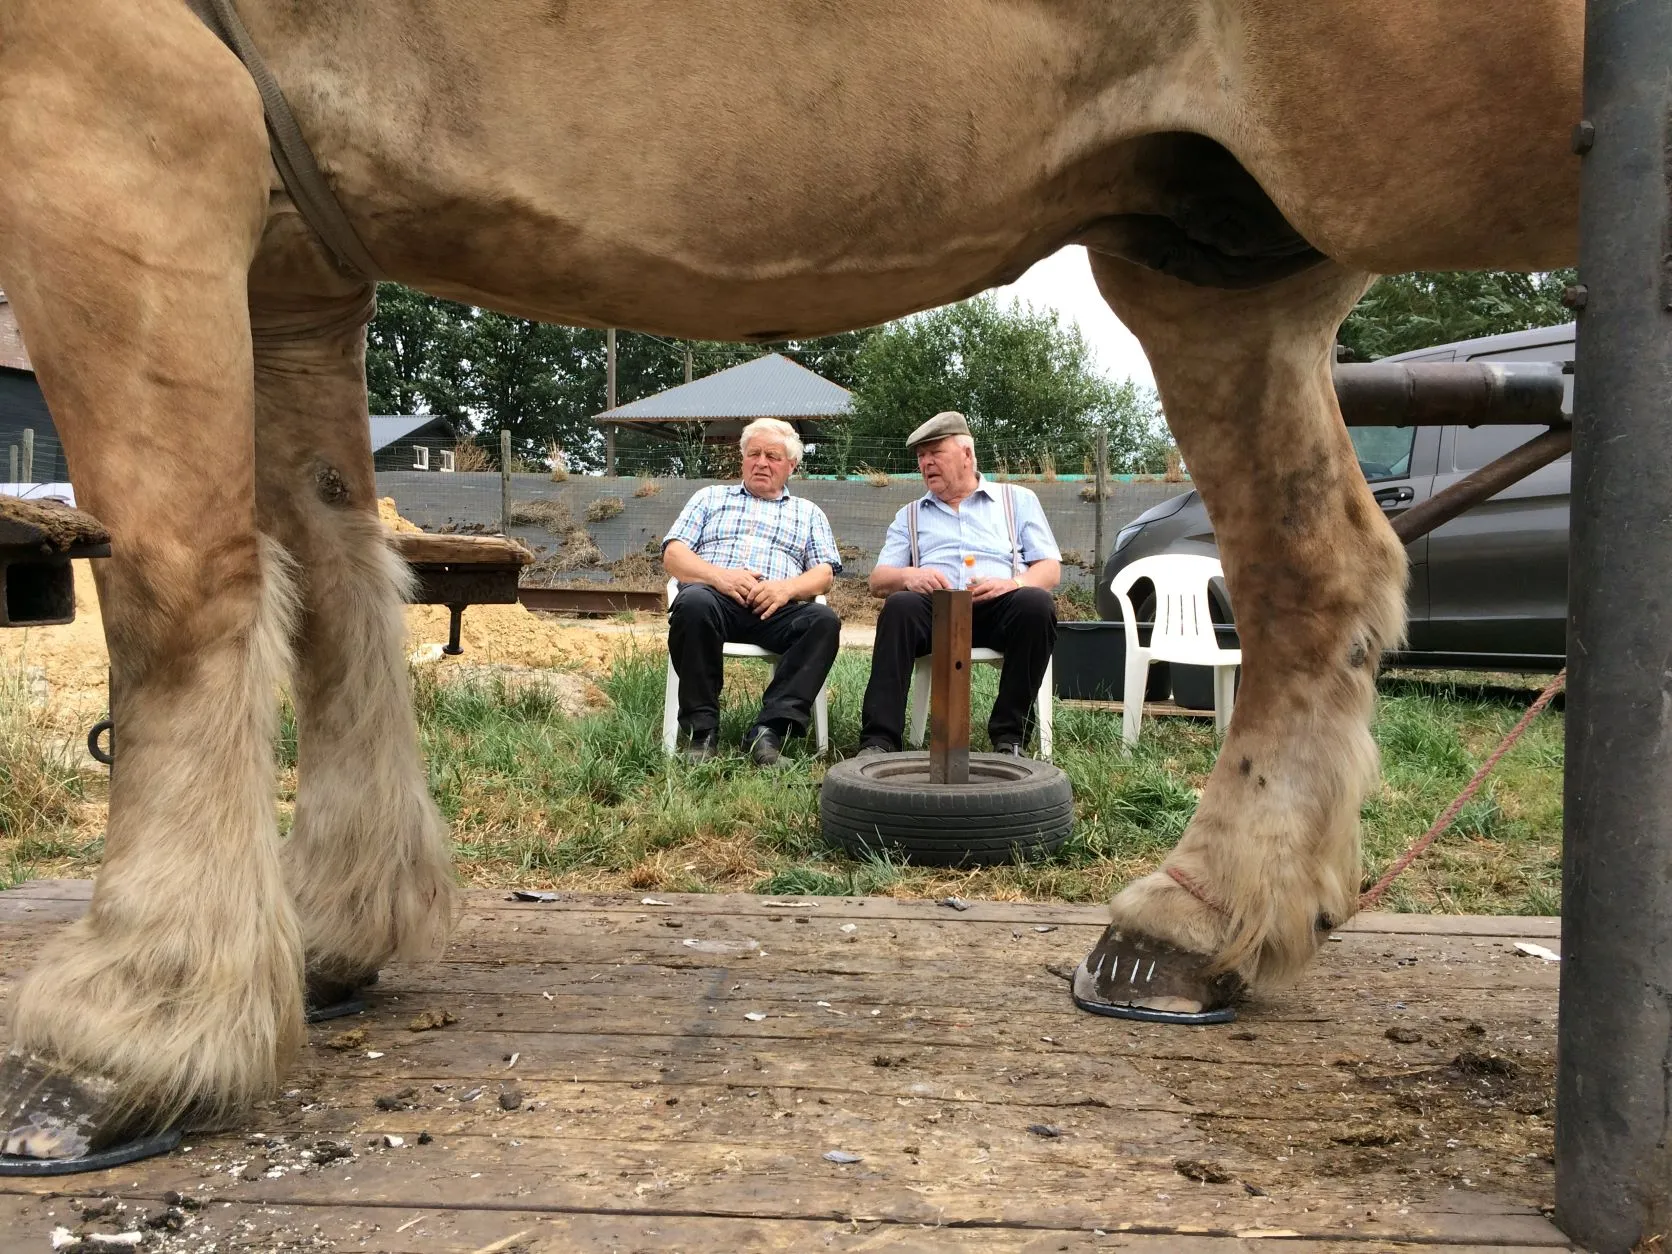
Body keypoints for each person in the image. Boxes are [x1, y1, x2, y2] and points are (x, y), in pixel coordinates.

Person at [858, 411, 1060, 757]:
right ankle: (879, 741)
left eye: (935, 453)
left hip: (999, 610)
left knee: (1036, 604)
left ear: (966, 454)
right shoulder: (910, 515)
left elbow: (1050, 569)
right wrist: (909, 576)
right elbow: (878, 580)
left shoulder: (1017, 500)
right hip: (935, 613)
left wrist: (1013, 583)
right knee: (899, 605)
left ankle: (1009, 738)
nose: (926, 463)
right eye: (921, 456)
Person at [661, 418, 842, 764]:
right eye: (754, 454)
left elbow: (824, 574)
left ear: (791, 465)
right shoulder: (709, 498)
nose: (761, 463)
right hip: (714, 601)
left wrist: (786, 589)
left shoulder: (808, 513)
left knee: (823, 621)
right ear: (742, 459)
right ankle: (702, 733)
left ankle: (768, 732)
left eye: (772, 456)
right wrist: (719, 577)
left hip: (775, 609)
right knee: (693, 602)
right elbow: (674, 554)